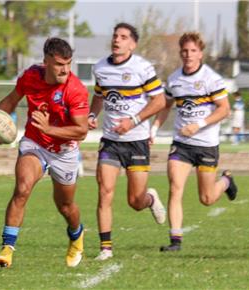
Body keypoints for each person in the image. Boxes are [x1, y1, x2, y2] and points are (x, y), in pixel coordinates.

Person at [0, 37, 89, 268]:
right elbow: (9, 102)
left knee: (66, 207)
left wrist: (50, 128)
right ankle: (7, 249)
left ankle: (76, 235)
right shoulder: (31, 76)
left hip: (64, 151)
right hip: (35, 143)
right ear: (46, 61)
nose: (65, 69)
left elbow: (81, 131)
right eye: (59, 64)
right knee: (22, 188)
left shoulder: (75, 89)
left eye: (68, 63)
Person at [87, 22, 168, 261]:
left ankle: (150, 199)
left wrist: (132, 121)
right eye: (115, 36)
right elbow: (99, 96)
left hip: (137, 141)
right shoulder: (100, 67)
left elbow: (160, 101)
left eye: (123, 37)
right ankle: (106, 248)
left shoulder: (142, 68)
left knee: (135, 201)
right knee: (105, 191)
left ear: (132, 43)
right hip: (111, 141)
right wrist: (92, 115)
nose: (117, 40)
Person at [150, 32, 238, 252]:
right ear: (180, 53)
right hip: (181, 144)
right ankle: (175, 241)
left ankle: (226, 181)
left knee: (207, 198)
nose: (188, 55)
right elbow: (166, 106)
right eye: (185, 51)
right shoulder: (174, 79)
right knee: (175, 188)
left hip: (206, 144)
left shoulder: (211, 78)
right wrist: (153, 129)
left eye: (193, 51)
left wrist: (198, 125)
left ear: (200, 53)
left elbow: (224, 109)